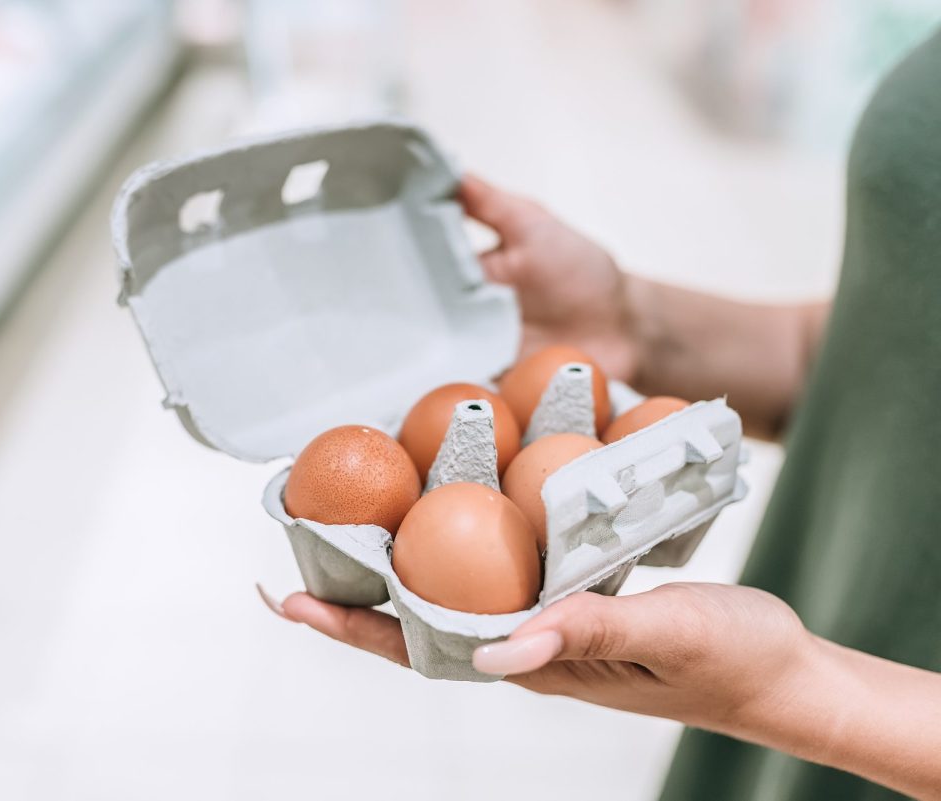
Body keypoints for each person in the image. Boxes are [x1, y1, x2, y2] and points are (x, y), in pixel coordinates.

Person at [261, 26, 941, 801]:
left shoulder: (803, 693)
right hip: (805, 690)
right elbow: (888, 352)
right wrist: (635, 323)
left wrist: (799, 691)